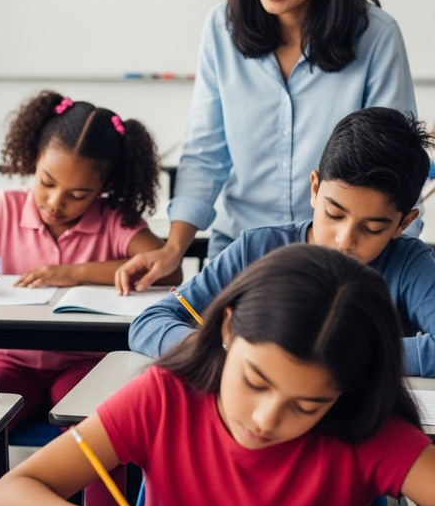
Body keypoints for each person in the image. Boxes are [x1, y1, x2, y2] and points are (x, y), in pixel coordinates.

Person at [0, 245, 435, 506]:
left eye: (307, 406)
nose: (264, 419)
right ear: (226, 327)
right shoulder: (164, 398)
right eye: (255, 382)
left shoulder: (360, 424)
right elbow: (5, 498)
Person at [116, 0, 416, 295]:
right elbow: (206, 154)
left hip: (344, 260)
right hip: (244, 253)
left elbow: (392, 163)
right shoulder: (221, 29)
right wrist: (173, 248)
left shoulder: (376, 36)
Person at [0, 90, 182, 506]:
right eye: (47, 182)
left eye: (78, 194)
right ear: (33, 160)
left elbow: (158, 264)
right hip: (11, 359)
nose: (57, 202)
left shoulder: (115, 219)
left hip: (84, 364)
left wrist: (75, 272)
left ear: (104, 188)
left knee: (98, 431)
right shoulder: (4, 208)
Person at [130, 107, 435, 376]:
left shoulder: (411, 264)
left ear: (404, 223)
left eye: (371, 228)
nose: (345, 241)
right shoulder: (256, 250)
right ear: (314, 188)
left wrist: (336, 354)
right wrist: (208, 347)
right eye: (333, 214)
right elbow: (150, 321)